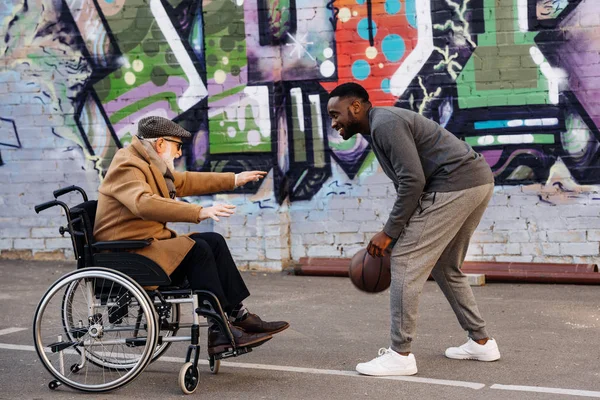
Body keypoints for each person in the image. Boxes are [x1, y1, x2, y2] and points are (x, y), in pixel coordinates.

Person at [327, 83, 501, 376]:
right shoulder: (381, 126)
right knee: (446, 266)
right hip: (475, 182)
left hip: (456, 185)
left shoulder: (385, 124)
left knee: (406, 261)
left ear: (355, 106)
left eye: (336, 114)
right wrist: (398, 230)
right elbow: (410, 184)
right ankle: (481, 342)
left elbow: (412, 181)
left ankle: (400, 354)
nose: (334, 123)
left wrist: (390, 233)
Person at [94, 116, 289, 356]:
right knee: (198, 251)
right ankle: (219, 330)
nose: (178, 153)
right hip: (128, 252)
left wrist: (234, 179)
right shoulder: (127, 165)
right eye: (177, 146)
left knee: (212, 242)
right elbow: (143, 203)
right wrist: (199, 211)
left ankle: (239, 315)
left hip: (146, 247)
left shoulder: (149, 164)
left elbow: (185, 181)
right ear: (161, 144)